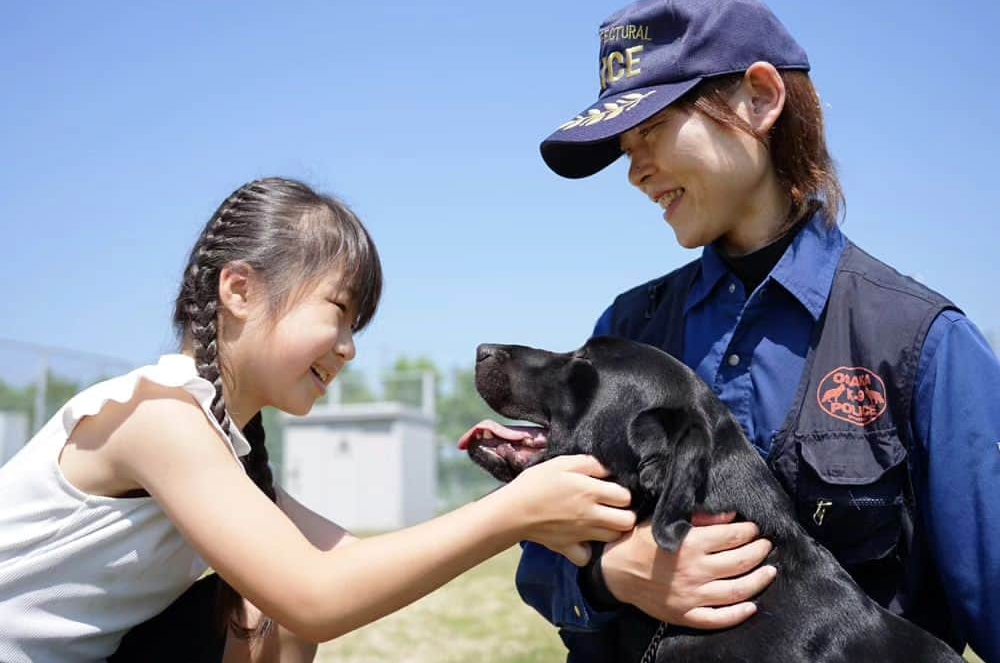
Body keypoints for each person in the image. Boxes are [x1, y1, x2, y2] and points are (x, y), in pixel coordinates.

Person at [516, 0, 1000, 662]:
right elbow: (540, 551)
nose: (634, 172)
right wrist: (610, 576)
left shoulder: (923, 343)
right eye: (624, 147)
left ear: (761, 98)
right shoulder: (627, 334)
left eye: (651, 128)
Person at [0, 177, 637, 663]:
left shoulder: (221, 441)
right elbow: (316, 594)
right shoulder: (158, 416)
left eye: (355, 326)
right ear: (239, 290)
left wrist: (550, 521)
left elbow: (351, 563)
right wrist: (516, 511)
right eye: (338, 310)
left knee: (261, 610)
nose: (348, 347)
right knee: (273, 603)